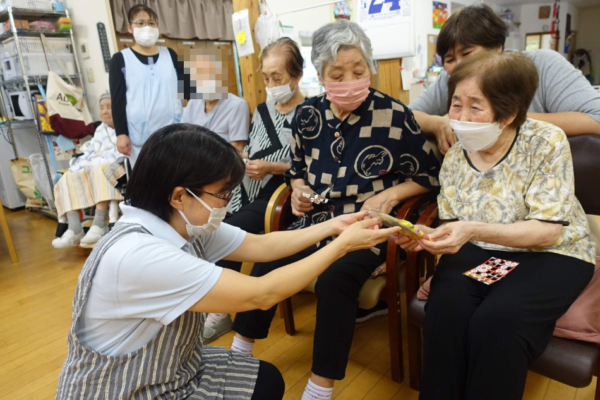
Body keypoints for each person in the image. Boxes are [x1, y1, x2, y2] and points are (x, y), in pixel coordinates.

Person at [56, 123, 400, 400]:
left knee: (265, 381)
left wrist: (332, 225)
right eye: (222, 192)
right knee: (265, 384)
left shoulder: (182, 222)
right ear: (179, 195)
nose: (226, 202)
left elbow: (262, 246)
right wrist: (340, 246)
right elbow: (261, 293)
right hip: (123, 387)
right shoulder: (141, 257)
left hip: (167, 368)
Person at [231, 20, 440, 400]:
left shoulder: (395, 116)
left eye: (358, 70)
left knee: (335, 280)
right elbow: (296, 170)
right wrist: (296, 191)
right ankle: (239, 353)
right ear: (320, 75)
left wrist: (393, 195)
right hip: (316, 219)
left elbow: (430, 176)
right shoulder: (307, 116)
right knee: (270, 257)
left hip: (366, 226)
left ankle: (319, 388)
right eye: (337, 73)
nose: (349, 80)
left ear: (370, 67)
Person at [396, 52, 595, 400]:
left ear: (508, 113)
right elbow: (456, 223)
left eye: (476, 107)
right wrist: (428, 237)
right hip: (483, 252)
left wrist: (471, 231)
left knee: (499, 321)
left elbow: (548, 230)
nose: (460, 117)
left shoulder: (545, 141)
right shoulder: (457, 155)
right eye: (456, 105)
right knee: (447, 310)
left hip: (551, 253)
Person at [204, 37, 306, 343]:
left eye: (278, 77)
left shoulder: (312, 112)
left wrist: (272, 167)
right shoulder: (262, 110)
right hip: (251, 185)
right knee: (213, 222)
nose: (271, 83)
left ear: (297, 75)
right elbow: (253, 148)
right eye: (266, 78)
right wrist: (246, 160)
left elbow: (313, 166)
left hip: (284, 191)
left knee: (231, 231)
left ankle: (220, 313)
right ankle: (215, 304)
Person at [409, 3, 600, 156]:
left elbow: (596, 119)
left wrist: (501, 119)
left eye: (467, 53)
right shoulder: (451, 78)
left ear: (497, 46)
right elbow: (409, 115)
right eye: (449, 59)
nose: (459, 66)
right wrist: (437, 124)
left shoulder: (543, 65)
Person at [109, 4, 183, 166]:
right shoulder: (120, 60)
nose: (147, 27)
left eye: (151, 23)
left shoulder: (170, 54)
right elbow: (117, 100)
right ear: (130, 27)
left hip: (174, 131)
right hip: (140, 135)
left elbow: (187, 89)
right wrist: (121, 134)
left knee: (177, 179)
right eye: (140, 23)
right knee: (149, 183)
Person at [52, 92, 123, 249]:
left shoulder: (124, 127)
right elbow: (92, 147)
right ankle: (74, 227)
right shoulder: (100, 129)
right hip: (98, 161)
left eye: (109, 107)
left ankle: (100, 224)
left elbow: (121, 152)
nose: (104, 111)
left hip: (118, 166)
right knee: (68, 176)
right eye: (102, 108)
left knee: (99, 170)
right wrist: (84, 158)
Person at [180, 48, 249, 153]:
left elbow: (237, 148)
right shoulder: (193, 102)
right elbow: (182, 136)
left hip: (222, 163)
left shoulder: (238, 105)